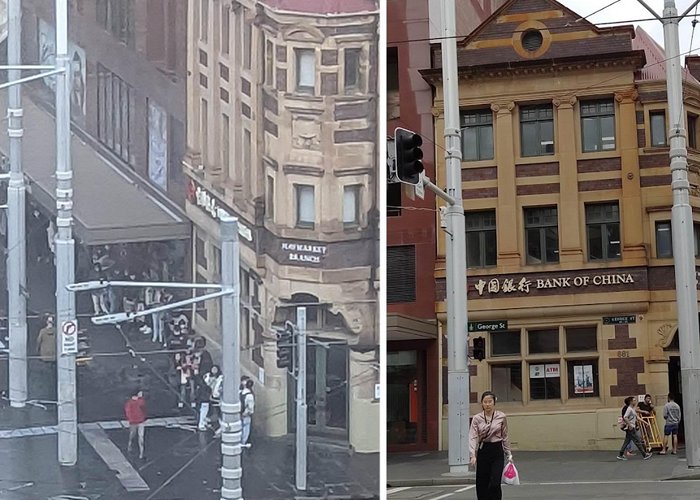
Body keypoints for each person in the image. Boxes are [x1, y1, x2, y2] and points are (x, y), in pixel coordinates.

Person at [468, 391, 512, 500]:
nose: (487, 404)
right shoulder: (477, 418)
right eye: (485, 402)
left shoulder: (501, 416)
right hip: (484, 449)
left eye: (490, 401)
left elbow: (505, 435)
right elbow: (472, 436)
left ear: (494, 402)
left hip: (497, 450)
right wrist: (472, 454)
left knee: (495, 482)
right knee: (482, 482)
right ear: (482, 403)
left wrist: (509, 454)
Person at [124, 390, 147, 459]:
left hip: (138, 421)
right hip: (135, 421)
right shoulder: (132, 402)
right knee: (134, 436)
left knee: (139, 437)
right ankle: (131, 447)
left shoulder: (138, 401)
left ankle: (141, 453)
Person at [240, 379, 255, 446]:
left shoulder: (240, 393)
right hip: (246, 414)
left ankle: (239, 440)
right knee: (246, 428)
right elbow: (250, 407)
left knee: (240, 427)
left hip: (239, 413)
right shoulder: (250, 395)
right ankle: (243, 442)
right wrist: (249, 412)